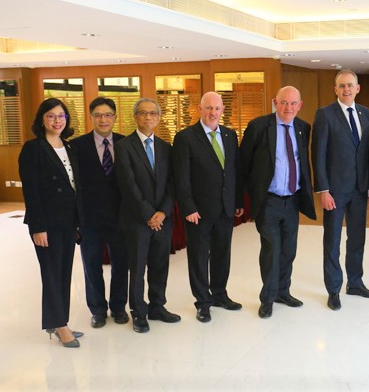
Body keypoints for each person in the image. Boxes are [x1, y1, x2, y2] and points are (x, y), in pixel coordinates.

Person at [240, 86, 316, 319]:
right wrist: (243, 199)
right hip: (269, 201)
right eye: (284, 103)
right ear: (275, 102)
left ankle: (284, 292)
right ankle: (268, 297)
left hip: (292, 200)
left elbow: (301, 162)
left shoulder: (303, 128)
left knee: (288, 250)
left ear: (300, 105)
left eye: (293, 104)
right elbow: (244, 163)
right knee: (272, 249)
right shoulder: (259, 126)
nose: (288, 108)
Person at [173, 92, 244, 323]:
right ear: (199, 109)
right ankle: (203, 302)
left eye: (217, 108)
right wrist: (188, 207)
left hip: (225, 209)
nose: (213, 113)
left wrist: (238, 201)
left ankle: (220, 295)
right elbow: (181, 178)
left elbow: (234, 171)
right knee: (199, 257)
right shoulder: (185, 138)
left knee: (223, 254)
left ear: (222, 110)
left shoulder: (230, 135)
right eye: (208, 108)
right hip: (198, 212)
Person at [312, 69, 369, 311]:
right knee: (332, 240)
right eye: (341, 86)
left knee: (357, 239)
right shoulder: (325, 114)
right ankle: (333, 289)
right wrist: (323, 190)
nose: (346, 89)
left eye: (350, 85)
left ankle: (355, 282)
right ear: (335, 89)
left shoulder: (365, 113)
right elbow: (317, 154)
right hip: (335, 191)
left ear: (357, 88)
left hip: (360, 190)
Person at [19, 98, 82, 348]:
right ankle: (60, 325)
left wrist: (78, 222)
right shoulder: (33, 149)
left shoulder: (69, 146)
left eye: (61, 116)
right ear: (42, 120)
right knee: (52, 274)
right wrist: (38, 227)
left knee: (64, 272)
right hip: (47, 223)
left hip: (69, 221)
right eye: (51, 116)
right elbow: (31, 192)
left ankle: (60, 321)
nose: (57, 121)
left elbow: (75, 186)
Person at [115, 98, 179, 333]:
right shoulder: (123, 146)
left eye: (153, 113)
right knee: (138, 267)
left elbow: (172, 184)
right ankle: (138, 313)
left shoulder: (166, 147)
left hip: (163, 219)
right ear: (135, 117)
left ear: (159, 118)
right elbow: (128, 186)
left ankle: (157, 307)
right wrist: (149, 215)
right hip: (136, 219)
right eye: (143, 113)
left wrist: (162, 212)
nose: (148, 117)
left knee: (160, 264)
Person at [71, 97, 129, 329]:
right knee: (91, 264)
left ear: (115, 117)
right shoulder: (76, 146)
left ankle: (118, 307)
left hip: (121, 217)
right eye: (98, 115)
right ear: (91, 117)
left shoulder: (126, 143)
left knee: (121, 264)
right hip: (89, 218)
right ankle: (97, 310)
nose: (103, 119)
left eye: (108, 115)